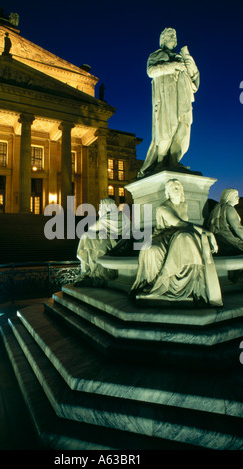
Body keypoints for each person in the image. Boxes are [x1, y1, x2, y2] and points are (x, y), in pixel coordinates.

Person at [131, 179, 222, 306]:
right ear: (167, 191)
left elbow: (183, 225)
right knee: (152, 250)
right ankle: (157, 284)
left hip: (178, 234)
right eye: (173, 187)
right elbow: (179, 223)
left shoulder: (184, 205)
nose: (176, 189)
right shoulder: (163, 207)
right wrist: (207, 232)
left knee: (185, 237)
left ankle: (183, 282)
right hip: (163, 236)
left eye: (178, 187)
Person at [138, 28, 200, 176]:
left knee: (182, 128)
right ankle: (160, 162)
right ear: (163, 39)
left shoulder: (180, 58)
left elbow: (194, 79)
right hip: (166, 99)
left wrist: (187, 61)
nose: (173, 38)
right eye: (170, 36)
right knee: (167, 129)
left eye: (175, 36)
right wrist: (173, 67)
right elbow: (151, 71)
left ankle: (174, 161)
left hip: (182, 98)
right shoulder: (157, 55)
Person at [74, 198, 130, 286]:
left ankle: (93, 274)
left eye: (100, 208)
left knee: (89, 239)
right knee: (90, 239)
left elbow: (92, 228)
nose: (99, 211)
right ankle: (91, 272)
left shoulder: (108, 218)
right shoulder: (119, 216)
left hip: (116, 244)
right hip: (120, 243)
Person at [208, 188, 243, 255]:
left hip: (220, 240)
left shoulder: (217, 207)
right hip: (230, 241)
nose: (238, 198)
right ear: (229, 196)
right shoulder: (229, 208)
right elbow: (238, 228)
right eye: (236, 195)